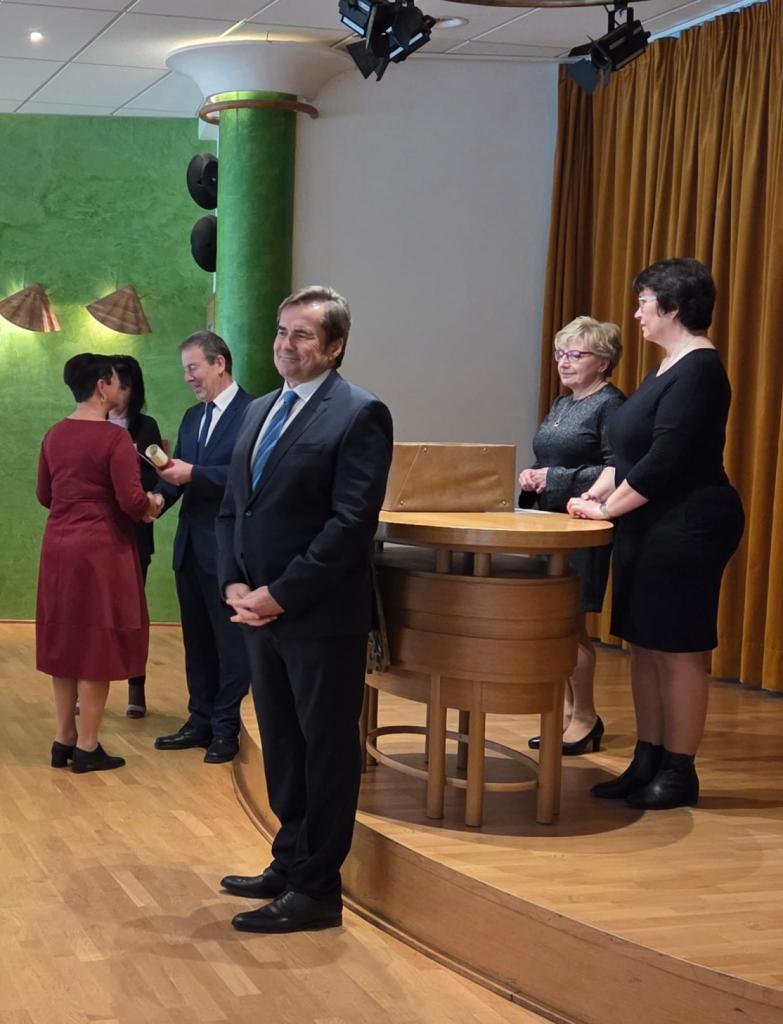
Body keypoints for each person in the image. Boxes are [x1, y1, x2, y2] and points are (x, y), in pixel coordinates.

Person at [216, 286, 393, 934]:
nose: (285, 345)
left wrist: (281, 593)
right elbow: (235, 505)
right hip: (257, 613)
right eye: (281, 331)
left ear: (335, 346)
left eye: (303, 335)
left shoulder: (360, 413)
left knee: (324, 752)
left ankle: (318, 890)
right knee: (283, 745)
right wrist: (233, 582)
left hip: (318, 619)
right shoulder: (261, 408)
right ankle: (289, 860)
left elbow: (350, 526)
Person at [568, 258, 744, 810]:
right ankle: (646, 759)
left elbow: (665, 460)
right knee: (644, 647)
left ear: (673, 306)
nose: (638, 313)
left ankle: (679, 769)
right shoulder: (668, 366)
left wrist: (606, 510)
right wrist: (595, 496)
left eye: (644, 302)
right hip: (649, 523)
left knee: (677, 649)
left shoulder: (700, 369)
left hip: (688, 523)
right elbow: (628, 453)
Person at [36, 353, 160, 773]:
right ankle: (88, 745)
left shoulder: (54, 434)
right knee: (97, 643)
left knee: (64, 638)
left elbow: (45, 494)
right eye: (114, 381)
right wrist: (152, 504)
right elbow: (132, 501)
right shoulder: (113, 439)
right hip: (102, 550)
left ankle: (63, 738)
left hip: (58, 547)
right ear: (102, 386)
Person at [519, 316, 625, 755]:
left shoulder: (611, 405)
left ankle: (585, 717)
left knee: (570, 624)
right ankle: (564, 713)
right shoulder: (563, 403)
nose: (563, 362)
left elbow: (617, 468)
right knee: (554, 623)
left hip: (584, 525)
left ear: (603, 362)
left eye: (575, 355)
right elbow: (549, 456)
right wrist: (532, 476)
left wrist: (555, 477)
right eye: (560, 353)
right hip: (552, 523)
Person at [153, 331, 253, 764]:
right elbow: (177, 475)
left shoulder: (254, 413)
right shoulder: (193, 417)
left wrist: (194, 474)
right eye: (185, 370)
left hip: (230, 552)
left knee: (232, 645)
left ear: (220, 363)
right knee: (197, 642)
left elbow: (248, 478)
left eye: (193, 367)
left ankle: (226, 729)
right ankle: (200, 720)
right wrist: (157, 500)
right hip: (190, 549)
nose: (188, 377)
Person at [109, 355, 163, 718]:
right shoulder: (92, 423)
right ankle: (87, 684)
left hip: (135, 530)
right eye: (113, 384)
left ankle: (136, 687)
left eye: (125, 386)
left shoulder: (145, 426)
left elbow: (155, 475)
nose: (118, 393)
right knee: (95, 613)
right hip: (100, 530)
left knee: (133, 612)